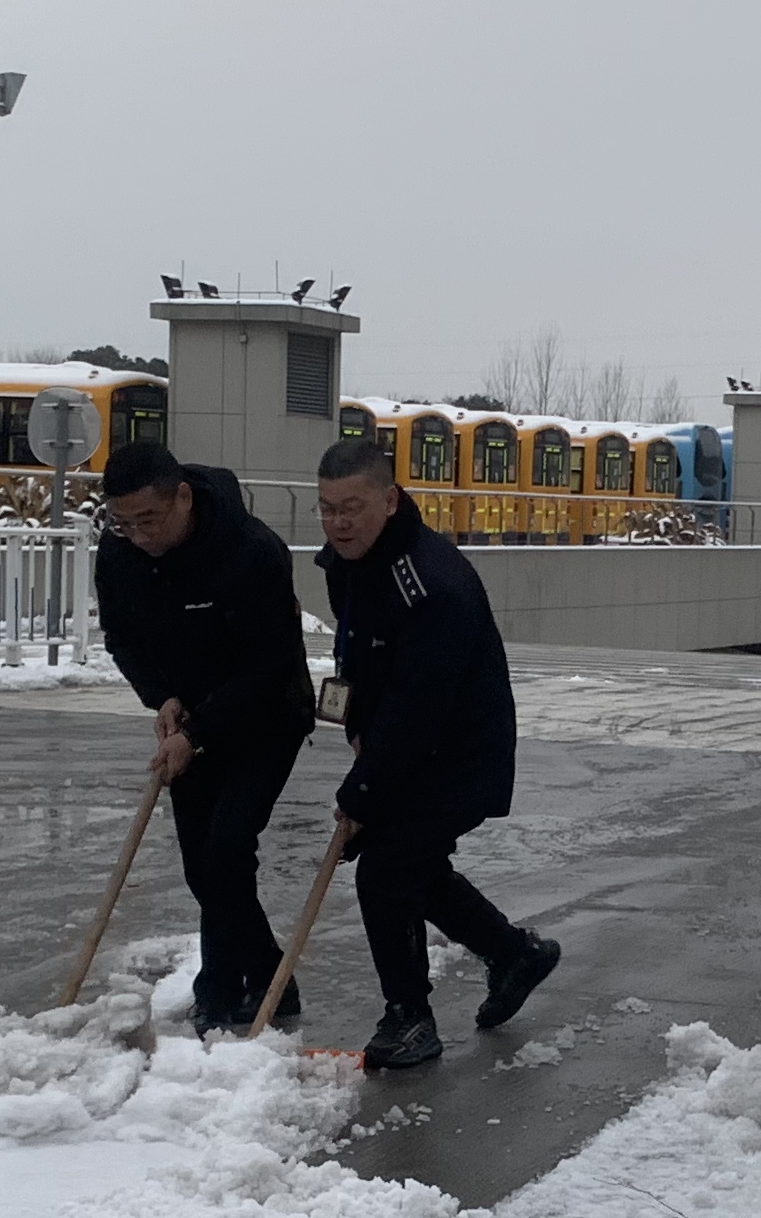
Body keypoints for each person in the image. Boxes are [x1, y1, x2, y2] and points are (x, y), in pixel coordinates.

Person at [313, 432, 558, 1070]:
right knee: (413, 868)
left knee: (386, 872)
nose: (338, 522)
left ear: (390, 500)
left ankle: (410, 1019)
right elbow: (360, 657)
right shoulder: (348, 564)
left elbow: (419, 710)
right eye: (327, 508)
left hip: (458, 751)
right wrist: (355, 725)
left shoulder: (432, 584)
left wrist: (363, 792)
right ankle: (514, 954)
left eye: (352, 507)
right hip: (406, 743)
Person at [94, 439, 318, 1033]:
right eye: (123, 522)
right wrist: (161, 696)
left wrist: (195, 733)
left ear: (184, 498)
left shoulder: (252, 551)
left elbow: (268, 664)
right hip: (190, 718)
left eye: (149, 519)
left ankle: (226, 983)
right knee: (203, 865)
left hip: (266, 717)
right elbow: (122, 637)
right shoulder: (119, 552)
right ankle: (260, 977)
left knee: (226, 848)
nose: (138, 535)